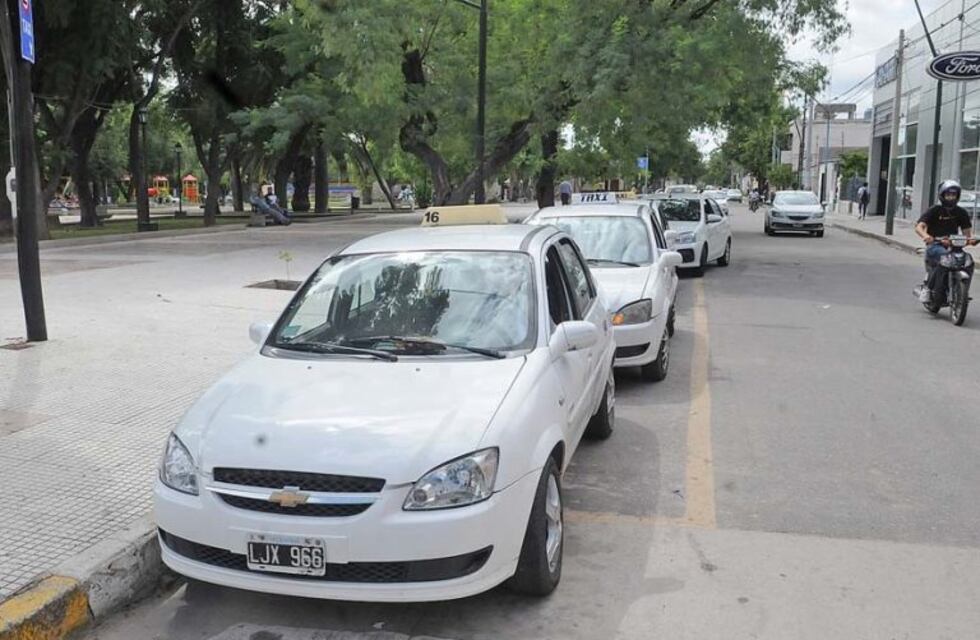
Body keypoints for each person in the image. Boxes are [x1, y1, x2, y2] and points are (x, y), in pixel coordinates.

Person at [914, 180, 977, 303]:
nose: (951, 197)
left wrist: (971, 240)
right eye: (948, 195)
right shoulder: (935, 210)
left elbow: (967, 234)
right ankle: (927, 289)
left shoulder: (961, 212)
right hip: (935, 245)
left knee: (968, 260)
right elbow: (919, 226)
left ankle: (963, 291)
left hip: (953, 245)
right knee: (945, 257)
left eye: (954, 195)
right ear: (942, 195)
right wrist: (926, 236)